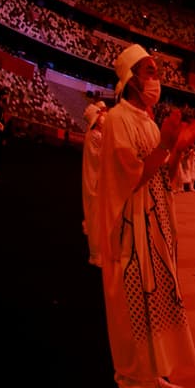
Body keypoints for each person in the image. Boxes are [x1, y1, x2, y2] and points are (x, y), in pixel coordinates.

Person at [95, 43, 195, 388]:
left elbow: (162, 176)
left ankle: (152, 377)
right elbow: (134, 178)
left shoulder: (146, 120)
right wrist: (168, 142)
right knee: (131, 309)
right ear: (132, 80)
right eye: (150, 72)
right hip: (129, 228)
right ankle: (129, 382)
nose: (157, 80)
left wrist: (179, 145)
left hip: (153, 227)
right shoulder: (118, 119)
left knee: (154, 303)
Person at [81, 99, 107, 266]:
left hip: (98, 179)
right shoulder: (94, 136)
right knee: (95, 215)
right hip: (95, 180)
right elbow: (100, 157)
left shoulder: (97, 135)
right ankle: (96, 254)